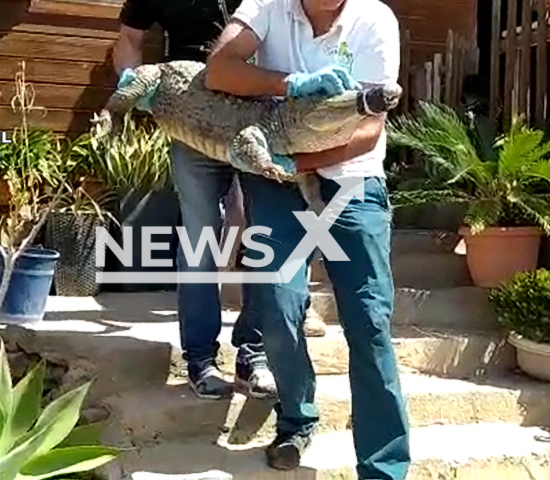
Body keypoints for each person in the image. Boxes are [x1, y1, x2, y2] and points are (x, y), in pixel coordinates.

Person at [206, 0, 411, 478]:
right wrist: (287, 84)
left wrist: (297, 163)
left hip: (350, 178)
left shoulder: (374, 19)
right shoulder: (266, 6)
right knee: (277, 307)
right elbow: (219, 70)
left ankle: (384, 467)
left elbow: (368, 129)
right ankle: (297, 419)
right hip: (277, 182)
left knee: (369, 321)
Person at [113, 0, 278, 401]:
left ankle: (253, 356)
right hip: (192, 119)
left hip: (259, 120)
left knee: (267, 234)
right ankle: (201, 359)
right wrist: (134, 84)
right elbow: (129, 39)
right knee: (200, 238)